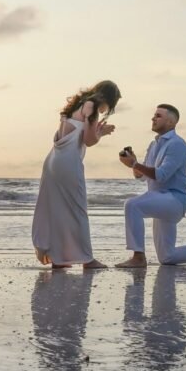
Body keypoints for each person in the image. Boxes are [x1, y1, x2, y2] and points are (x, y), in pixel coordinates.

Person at [115, 104, 186, 267]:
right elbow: (142, 176)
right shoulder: (154, 145)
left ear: (171, 122)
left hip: (174, 201)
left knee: (132, 205)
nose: (153, 118)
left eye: (158, 116)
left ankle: (138, 257)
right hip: (161, 201)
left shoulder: (177, 144)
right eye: (154, 115)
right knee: (167, 257)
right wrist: (133, 163)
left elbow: (161, 175)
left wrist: (135, 164)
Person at [32, 80, 121, 269]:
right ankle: (87, 259)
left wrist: (95, 130)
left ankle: (59, 258)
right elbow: (89, 141)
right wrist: (101, 132)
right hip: (68, 163)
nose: (107, 110)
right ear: (108, 99)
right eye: (111, 105)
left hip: (53, 161)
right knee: (77, 209)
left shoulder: (75, 106)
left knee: (57, 209)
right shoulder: (92, 106)